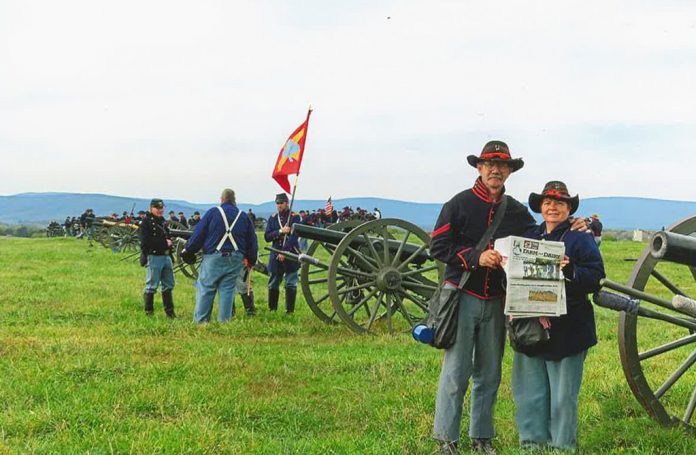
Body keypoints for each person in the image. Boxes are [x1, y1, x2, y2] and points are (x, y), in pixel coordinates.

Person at [430, 141, 588, 454]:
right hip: (463, 296)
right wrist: (476, 258)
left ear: (509, 172)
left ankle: (481, 439)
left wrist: (584, 224)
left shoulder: (515, 210)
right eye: (490, 164)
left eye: (502, 166)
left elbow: (543, 233)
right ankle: (446, 441)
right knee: (456, 373)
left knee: (489, 374)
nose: (496, 170)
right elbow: (438, 247)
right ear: (479, 168)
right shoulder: (458, 204)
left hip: (498, 300)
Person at [511, 181, 605, 451]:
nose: (553, 207)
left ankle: (562, 446)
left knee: (563, 397)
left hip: (569, 328)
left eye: (560, 203)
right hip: (529, 324)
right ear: (540, 207)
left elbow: (596, 277)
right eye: (548, 203)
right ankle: (531, 445)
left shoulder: (580, 238)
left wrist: (570, 269)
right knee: (530, 392)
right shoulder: (528, 237)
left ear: (568, 209)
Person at [183, 188, 258, 323]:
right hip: (235, 258)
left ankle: (201, 322)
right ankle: (224, 323)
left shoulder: (213, 212)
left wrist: (189, 250)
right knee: (227, 290)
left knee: (206, 287)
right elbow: (252, 241)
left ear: (221, 200)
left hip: (214, 257)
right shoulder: (243, 216)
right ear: (235, 201)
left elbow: (199, 234)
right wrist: (251, 260)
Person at [265, 193, 301, 314]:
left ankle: (289, 311)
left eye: (281, 203)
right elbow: (267, 237)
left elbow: (294, 237)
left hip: (290, 254)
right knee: (273, 283)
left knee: (291, 283)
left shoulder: (295, 217)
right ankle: (272, 310)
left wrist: (285, 251)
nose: (279, 205)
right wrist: (280, 231)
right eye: (277, 203)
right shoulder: (273, 218)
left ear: (287, 203)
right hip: (276, 254)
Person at [139, 198, 176, 318]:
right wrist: (164, 243)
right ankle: (148, 312)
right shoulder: (146, 222)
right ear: (151, 208)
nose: (160, 210)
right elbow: (145, 241)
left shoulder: (162, 221)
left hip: (166, 256)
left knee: (168, 285)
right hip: (154, 256)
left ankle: (170, 313)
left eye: (161, 208)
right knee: (151, 285)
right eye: (157, 208)